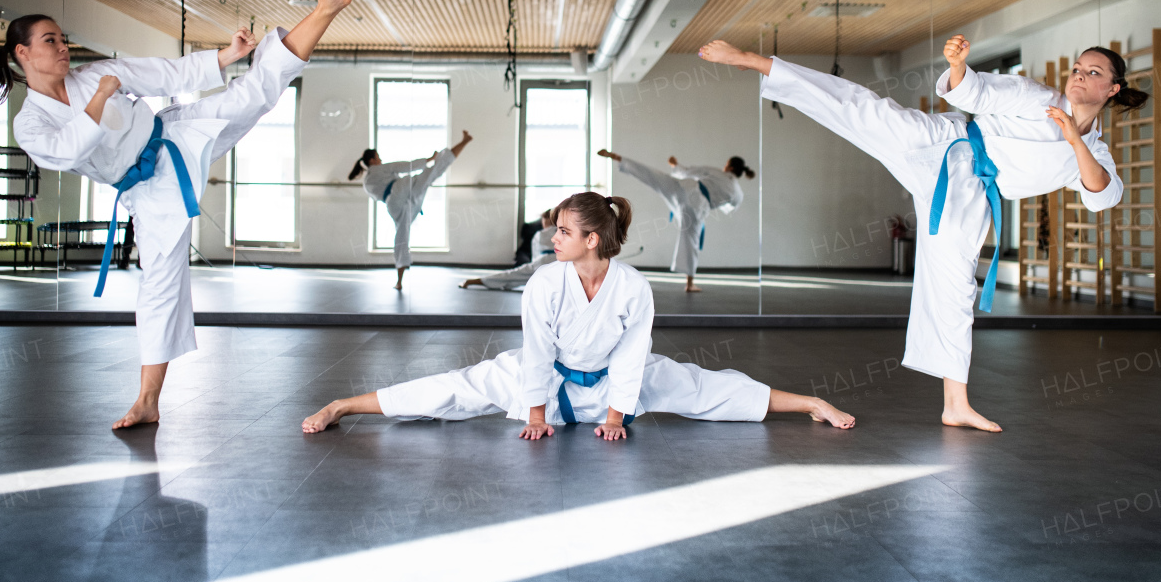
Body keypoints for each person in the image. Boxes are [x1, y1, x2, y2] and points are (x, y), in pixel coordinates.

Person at [0, 0, 353, 429]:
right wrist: (101, 98)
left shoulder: (96, 73)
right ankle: (148, 400)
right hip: (149, 191)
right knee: (159, 287)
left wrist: (226, 55)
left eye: (63, 39)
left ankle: (326, 7)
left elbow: (162, 73)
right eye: (50, 41)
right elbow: (68, 152)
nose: (63, 47)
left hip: (175, 135)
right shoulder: (31, 123)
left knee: (255, 92)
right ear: (22, 52)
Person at [698, 35, 1146, 432]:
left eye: (1093, 73)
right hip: (945, 144)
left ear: (1112, 89)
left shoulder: (1094, 150)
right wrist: (957, 68)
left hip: (969, 198)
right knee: (864, 109)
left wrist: (1074, 139)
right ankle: (758, 63)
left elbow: (1102, 194)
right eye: (1077, 68)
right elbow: (979, 91)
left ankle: (956, 405)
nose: (1079, 77)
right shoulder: (1038, 98)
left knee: (954, 290)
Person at [302, 192, 854, 437]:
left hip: (617, 383)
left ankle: (808, 402)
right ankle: (343, 405)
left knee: (703, 389)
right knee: (456, 390)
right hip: (547, 383)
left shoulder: (633, 287)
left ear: (593, 238)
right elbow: (538, 353)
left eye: (564, 231)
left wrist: (616, 417)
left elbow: (634, 354)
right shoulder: (546, 282)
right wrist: (536, 413)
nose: (554, 237)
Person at [597, 149, 753, 292]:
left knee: (655, 177)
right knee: (691, 241)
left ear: (730, 167)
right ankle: (690, 283)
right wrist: (715, 201)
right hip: (697, 207)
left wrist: (674, 165)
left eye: (726, 165)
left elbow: (688, 172)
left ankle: (619, 158)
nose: (724, 167)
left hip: (685, 188)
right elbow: (729, 208)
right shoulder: (738, 194)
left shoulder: (718, 173)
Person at [349, 131, 472, 290]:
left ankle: (399, 281)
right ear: (372, 160)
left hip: (395, 204)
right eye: (378, 157)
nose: (381, 160)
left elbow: (380, 195)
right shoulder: (377, 170)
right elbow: (402, 166)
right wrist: (428, 160)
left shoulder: (367, 183)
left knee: (401, 237)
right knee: (435, 169)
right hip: (401, 191)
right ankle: (461, 144)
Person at [460, 208, 557, 290]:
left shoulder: (541, 234)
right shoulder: (561, 231)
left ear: (547, 219)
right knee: (520, 278)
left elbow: (536, 255)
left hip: (543, 262)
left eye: (543, 220)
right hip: (560, 262)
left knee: (511, 276)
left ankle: (472, 281)